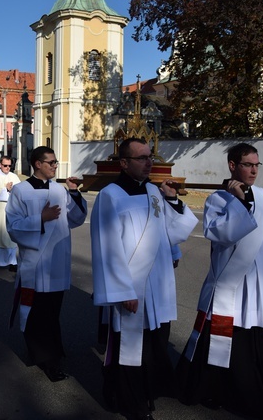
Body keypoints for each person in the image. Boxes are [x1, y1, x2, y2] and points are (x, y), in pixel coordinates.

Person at [177, 142, 263, 419]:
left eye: (256, 165)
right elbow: (220, 235)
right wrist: (239, 202)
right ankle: (217, 390)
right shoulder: (218, 199)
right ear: (232, 166)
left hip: (261, 280)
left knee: (262, 340)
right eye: (247, 165)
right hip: (234, 282)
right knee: (229, 340)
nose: (253, 170)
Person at [90, 138, 198, 420]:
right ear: (124, 163)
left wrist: (172, 200)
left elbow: (168, 231)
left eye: (150, 157)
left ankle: (144, 394)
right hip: (131, 287)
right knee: (130, 349)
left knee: (154, 346)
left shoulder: (153, 191)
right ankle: (131, 403)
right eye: (141, 158)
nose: (149, 162)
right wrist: (123, 290)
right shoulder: (110, 196)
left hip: (158, 285)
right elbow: (107, 248)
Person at [5, 146, 87, 382]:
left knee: (52, 312)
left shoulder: (59, 190)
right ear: (37, 164)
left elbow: (76, 218)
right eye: (50, 162)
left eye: (55, 162)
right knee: (36, 313)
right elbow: (12, 226)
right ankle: (45, 358)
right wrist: (40, 218)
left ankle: (51, 351)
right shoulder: (21, 191)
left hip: (57, 262)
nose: (54, 166)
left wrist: (73, 192)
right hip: (36, 263)